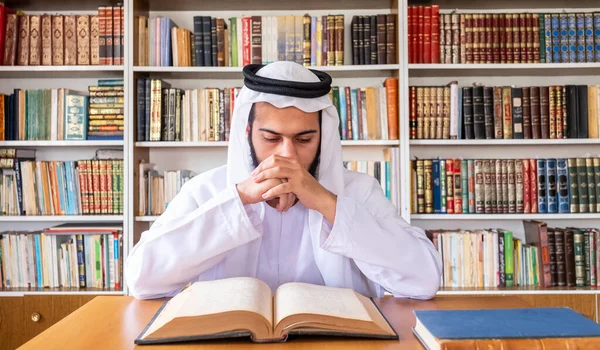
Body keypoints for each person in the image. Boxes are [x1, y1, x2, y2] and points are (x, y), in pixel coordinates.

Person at [125, 61, 442, 300]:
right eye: (272, 138)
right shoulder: (206, 189)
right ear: (248, 134)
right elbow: (141, 279)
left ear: (323, 137)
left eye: (304, 139)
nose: (287, 155)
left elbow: (424, 279)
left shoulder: (359, 191)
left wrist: (327, 203)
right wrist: (239, 200)